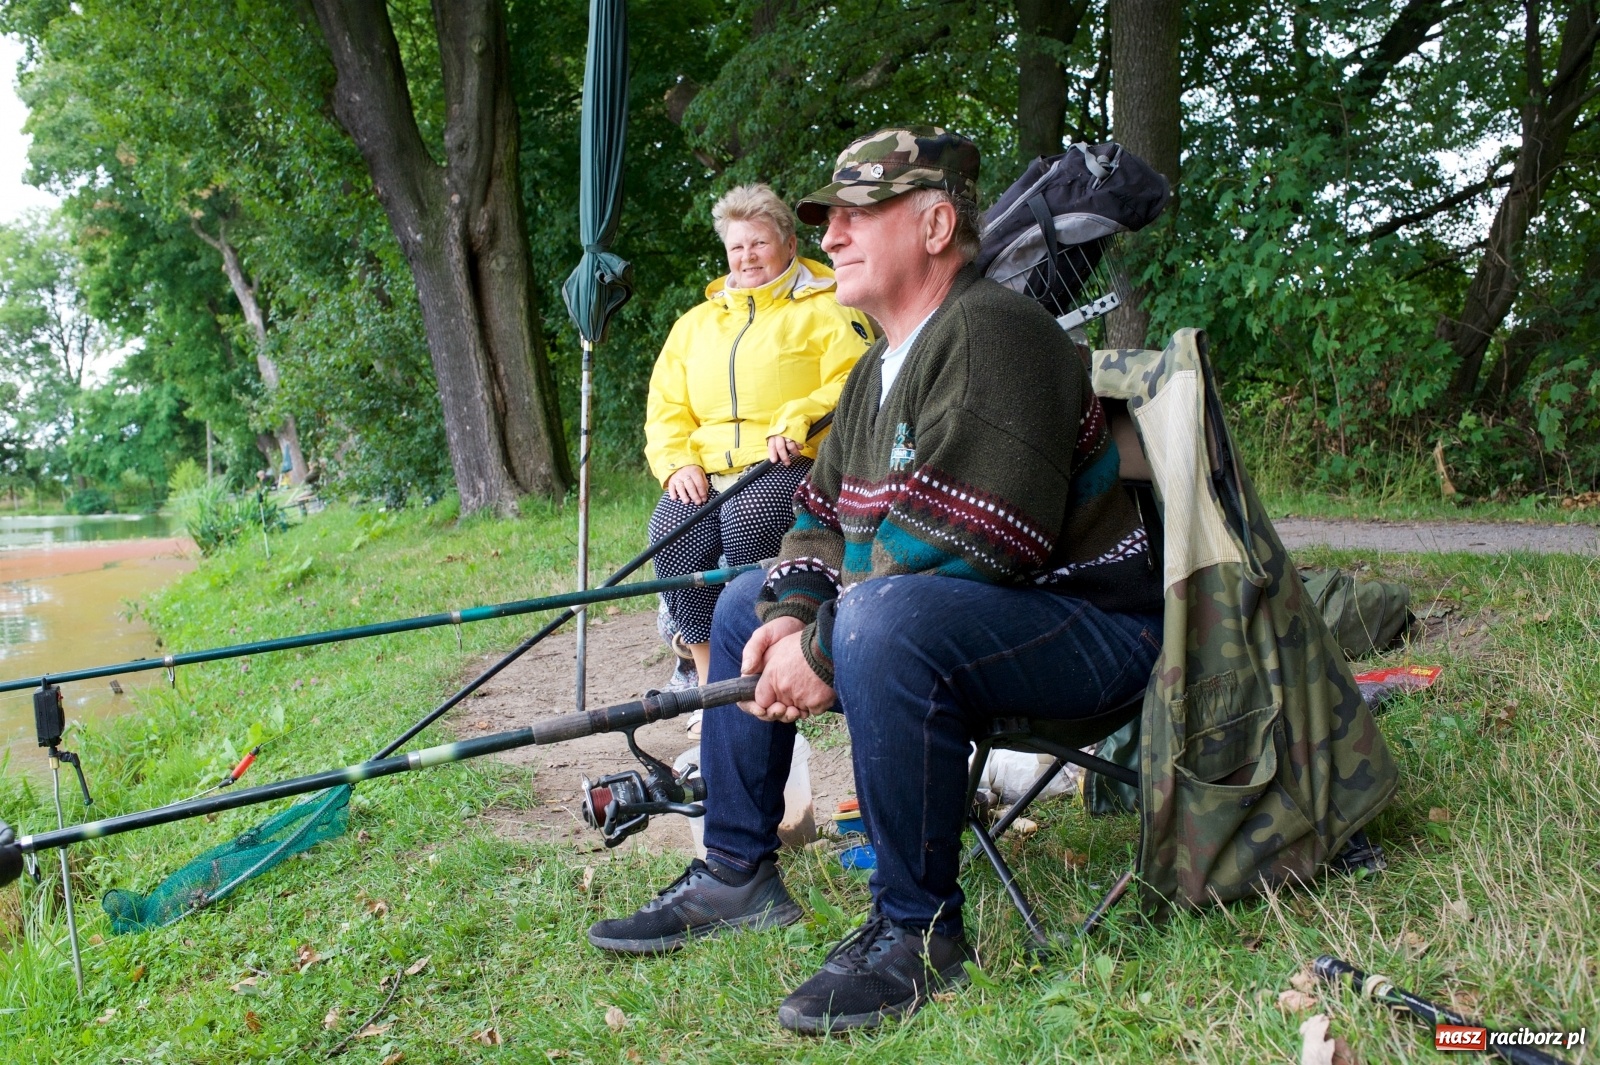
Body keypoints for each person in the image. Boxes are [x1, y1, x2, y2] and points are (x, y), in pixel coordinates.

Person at [589, 128, 1166, 1034]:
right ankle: (739, 871)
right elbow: (817, 517)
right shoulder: (875, 369)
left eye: (858, 215)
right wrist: (788, 612)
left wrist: (820, 645)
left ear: (936, 224)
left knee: (879, 622)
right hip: (974, 616)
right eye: (829, 220)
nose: (831, 237)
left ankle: (917, 930)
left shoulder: (992, 334)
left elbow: (976, 540)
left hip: (1086, 630)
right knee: (743, 597)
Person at [643, 183, 873, 700]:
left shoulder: (829, 304)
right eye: (736, 247)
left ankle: (761, 667)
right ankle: (707, 686)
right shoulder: (694, 325)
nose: (747, 257)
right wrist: (677, 461)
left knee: (749, 524)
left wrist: (799, 417)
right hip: (707, 470)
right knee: (673, 534)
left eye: (759, 244)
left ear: (790, 245)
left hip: (786, 460)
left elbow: (859, 377)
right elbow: (665, 408)